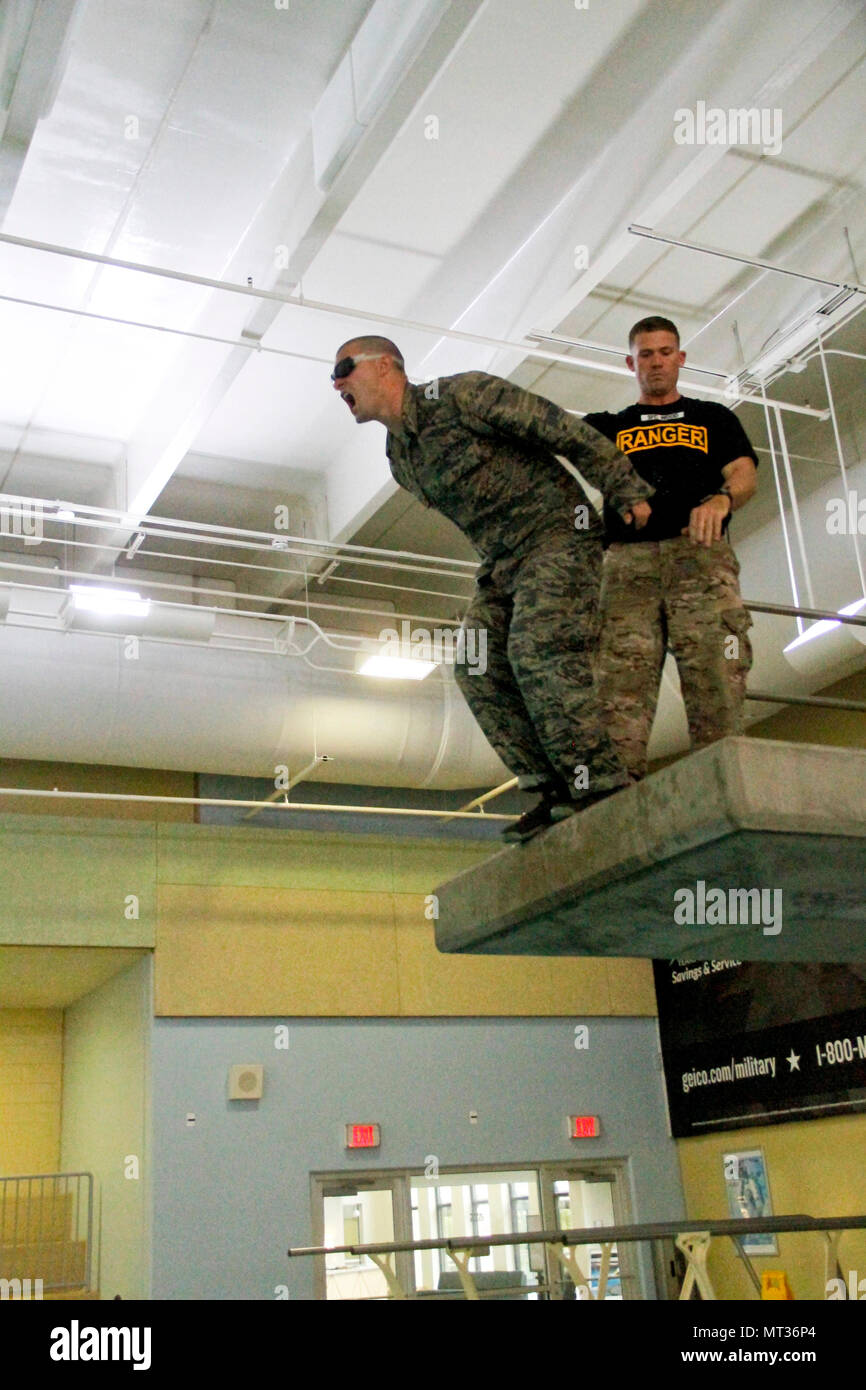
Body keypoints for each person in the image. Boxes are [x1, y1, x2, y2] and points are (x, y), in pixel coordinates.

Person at [331, 334, 655, 840]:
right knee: (475, 665)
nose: (337, 383)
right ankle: (552, 788)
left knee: (536, 649)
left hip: (557, 535)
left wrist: (624, 486)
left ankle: (600, 784)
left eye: (345, 368)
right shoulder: (399, 457)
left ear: (388, 365)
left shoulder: (463, 395)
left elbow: (562, 430)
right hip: (502, 563)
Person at [583, 316, 758, 782]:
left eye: (665, 352)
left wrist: (722, 500)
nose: (656, 362)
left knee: (717, 677)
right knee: (618, 695)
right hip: (626, 565)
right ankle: (614, 810)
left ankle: (725, 795)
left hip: (697, 555)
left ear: (680, 359)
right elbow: (546, 438)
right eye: (645, 354)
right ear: (631, 363)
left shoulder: (713, 418)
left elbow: (744, 475)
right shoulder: (608, 426)